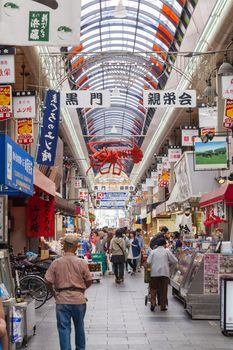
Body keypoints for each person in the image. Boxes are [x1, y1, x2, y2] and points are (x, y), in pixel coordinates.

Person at [45, 235, 92, 350]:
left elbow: (47, 281)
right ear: (76, 248)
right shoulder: (81, 262)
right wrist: (82, 291)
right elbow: (89, 280)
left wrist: (54, 294)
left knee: (64, 328)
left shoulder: (56, 262)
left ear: (64, 246)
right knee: (79, 327)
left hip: (62, 299)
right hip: (78, 300)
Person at [147, 237, 177, 312]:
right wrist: (168, 263)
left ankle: (153, 303)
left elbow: (148, 262)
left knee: (153, 288)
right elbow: (175, 261)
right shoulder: (167, 251)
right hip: (164, 273)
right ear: (164, 244)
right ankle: (162, 306)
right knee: (163, 290)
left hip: (154, 273)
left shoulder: (153, 252)